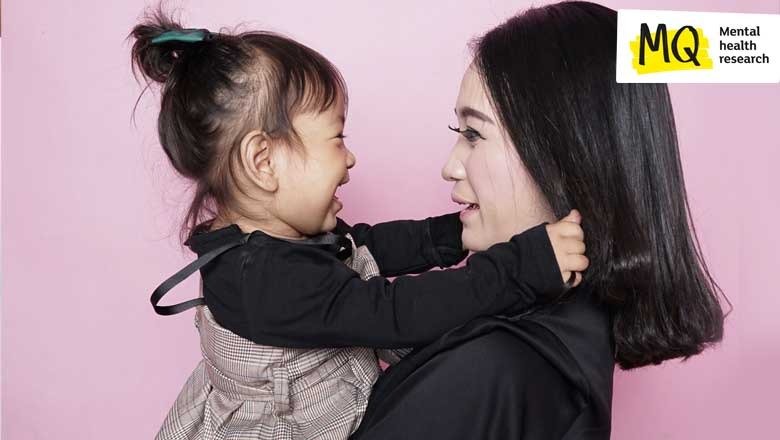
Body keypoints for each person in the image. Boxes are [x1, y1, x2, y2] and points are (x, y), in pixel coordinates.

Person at [129, 8, 589, 440]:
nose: (350, 159)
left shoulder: (273, 241)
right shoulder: (265, 280)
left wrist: (451, 234)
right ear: (263, 161)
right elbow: (394, 312)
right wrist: (522, 265)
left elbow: (362, 246)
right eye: (336, 137)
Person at [349, 2, 726, 439]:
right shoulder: (557, 345)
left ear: (567, 157)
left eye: (474, 134)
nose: (451, 167)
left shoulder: (489, 371)